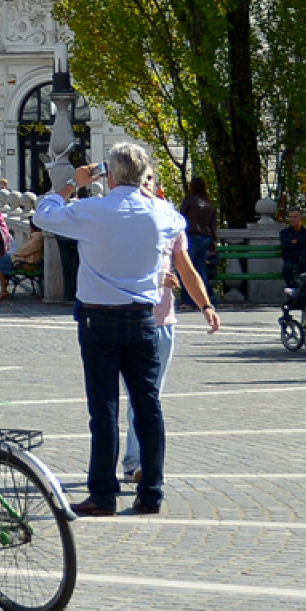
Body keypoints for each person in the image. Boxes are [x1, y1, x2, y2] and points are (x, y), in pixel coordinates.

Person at [32, 145, 220, 518]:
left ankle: (102, 493)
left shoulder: (93, 211)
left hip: (98, 318)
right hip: (142, 319)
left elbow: (44, 215)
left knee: (103, 409)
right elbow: (179, 225)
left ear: (110, 175)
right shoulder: (161, 212)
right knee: (148, 407)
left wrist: (73, 183)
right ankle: (151, 491)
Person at [122, 194, 213, 482]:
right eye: (142, 180)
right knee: (136, 395)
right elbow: (115, 270)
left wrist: (206, 306)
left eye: (151, 181)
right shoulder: (122, 222)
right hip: (127, 317)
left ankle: (137, 460)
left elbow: (186, 269)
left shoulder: (172, 223)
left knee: (151, 394)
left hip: (163, 320)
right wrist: (155, 280)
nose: (146, 186)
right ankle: (135, 461)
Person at [178, 177, 217, 308]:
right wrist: (214, 242)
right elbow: (213, 225)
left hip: (192, 236)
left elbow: (181, 217)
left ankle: (188, 300)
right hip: (206, 237)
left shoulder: (189, 200)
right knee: (201, 270)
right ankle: (203, 299)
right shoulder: (209, 203)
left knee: (186, 268)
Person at [0, 226, 45, 301]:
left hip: (27, 264)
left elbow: (24, 251)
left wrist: (14, 255)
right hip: (24, 261)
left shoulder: (37, 238)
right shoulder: (36, 237)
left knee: (1, 258)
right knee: (1, 260)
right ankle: (0, 288)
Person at [280, 208, 306, 291]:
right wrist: (304, 242)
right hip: (291, 261)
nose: (292, 219)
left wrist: (296, 241)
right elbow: (286, 245)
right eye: (290, 217)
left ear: (301, 218)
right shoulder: (284, 233)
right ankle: (293, 293)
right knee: (286, 269)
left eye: (295, 217)